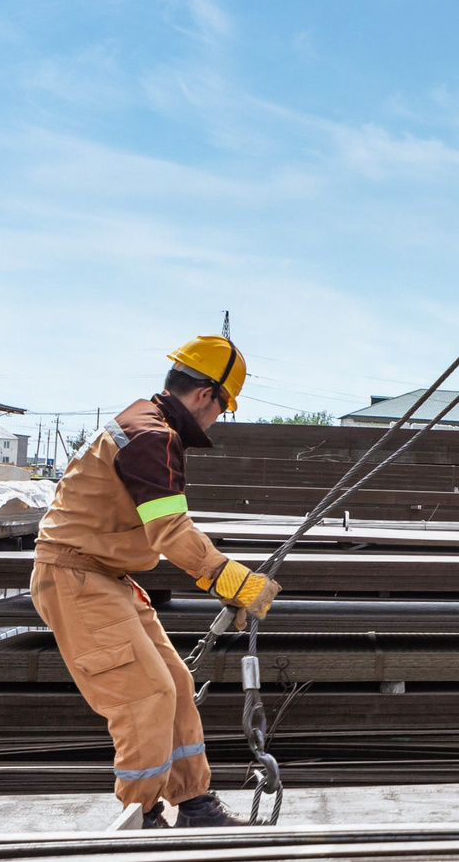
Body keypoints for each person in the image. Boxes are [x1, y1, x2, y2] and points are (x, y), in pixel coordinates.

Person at [31, 335, 280, 827]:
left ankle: (194, 803)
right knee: (145, 694)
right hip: (77, 576)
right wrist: (237, 584)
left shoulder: (145, 423)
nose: (217, 419)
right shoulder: (151, 436)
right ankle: (139, 818)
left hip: (101, 575)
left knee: (177, 684)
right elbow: (169, 531)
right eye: (223, 407)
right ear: (206, 395)